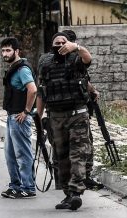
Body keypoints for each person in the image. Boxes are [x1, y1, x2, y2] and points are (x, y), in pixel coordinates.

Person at [37, 32, 93, 210]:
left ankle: (76, 192)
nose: (60, 44)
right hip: (55, 116)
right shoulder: (45, 62)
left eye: (63, 42)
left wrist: (77, 47)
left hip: (77, 113)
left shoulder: (76, 57)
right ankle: (68, 194)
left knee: (78, 153)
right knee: (61, 157)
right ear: (51, 45)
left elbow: (88, 58)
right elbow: (41, 90)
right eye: (56, 42)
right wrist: (38, 116)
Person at [61, 29, 104, 190]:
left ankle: (77, 177)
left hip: (70, 111)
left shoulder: (57, 61)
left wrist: (92, 91)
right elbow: (82, 79)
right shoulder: (73, 59)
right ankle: (83, 177)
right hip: (77, 110)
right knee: (85, 145)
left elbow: (84, 80)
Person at [0, 37, 37, 199]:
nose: (5, 53)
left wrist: (26, 111)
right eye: (3, 50)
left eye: (8, 50)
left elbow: (33, 90)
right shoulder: (13, 68)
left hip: (19, 118)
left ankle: (28, 187)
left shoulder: (22, 69)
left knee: (22, 153)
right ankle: (15, 185)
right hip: (11, 116)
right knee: (10, 154)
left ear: (17, 51)